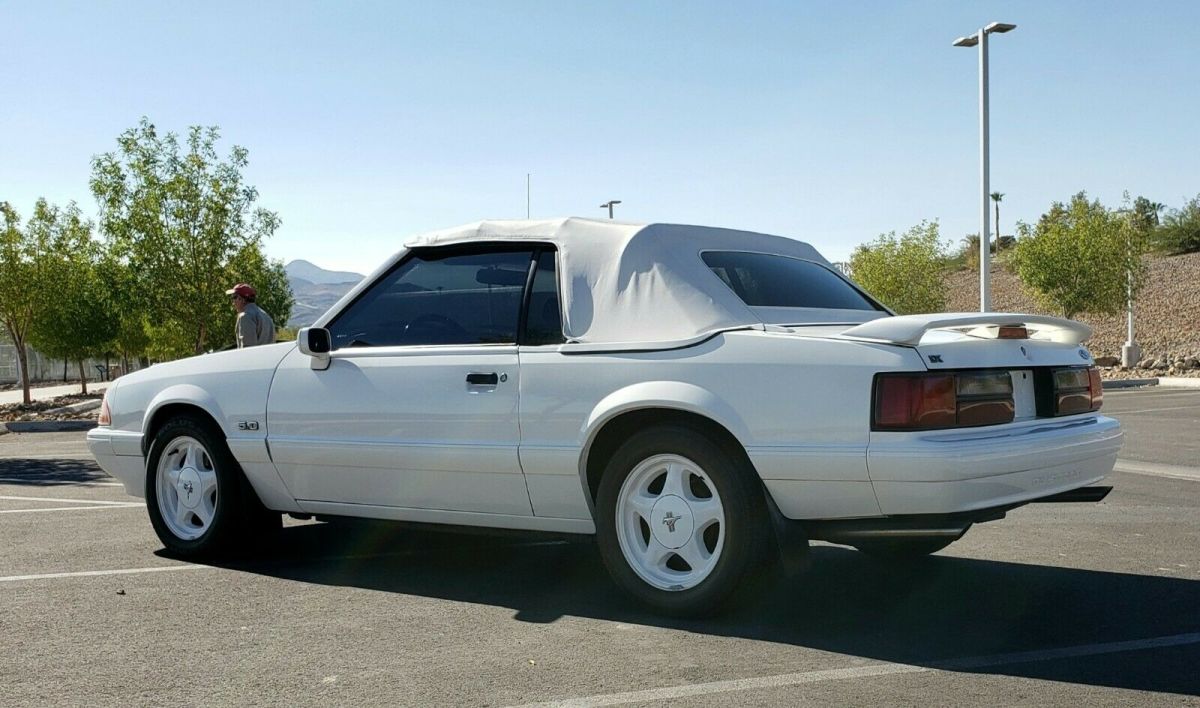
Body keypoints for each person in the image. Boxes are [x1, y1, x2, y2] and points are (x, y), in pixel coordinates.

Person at [226, 283, 276, 348]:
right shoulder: (265, 315)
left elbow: (248, 349)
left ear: (243, 299)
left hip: (254, 358)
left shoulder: (245, 316)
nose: (233, 302)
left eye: (234, 297)